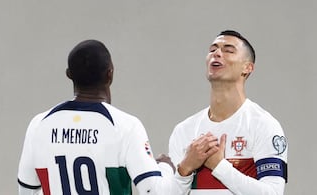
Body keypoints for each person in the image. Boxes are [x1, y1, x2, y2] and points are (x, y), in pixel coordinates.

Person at [17, 40, 191, 195]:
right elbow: (153, 192)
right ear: (110, 74)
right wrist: (166, 167)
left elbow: (26, 191)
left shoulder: (39, 124)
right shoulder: (126, 126)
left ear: (69, 74)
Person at [169, 30, 288, 195]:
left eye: (228, 50)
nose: (217, 53)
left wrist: (219, 166)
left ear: (247, 68)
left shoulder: (263, 124)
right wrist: (185, 168)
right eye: (212, 49)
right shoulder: (184, 130)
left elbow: (273, 193)